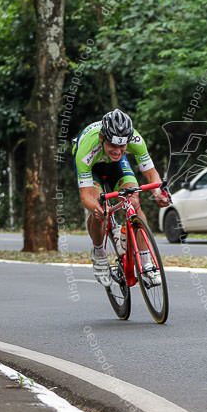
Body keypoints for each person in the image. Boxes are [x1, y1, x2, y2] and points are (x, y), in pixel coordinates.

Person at [73, 109, 170, 287]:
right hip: (92, 167)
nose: (117, 150)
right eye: (113, 145)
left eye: (122, 146)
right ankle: (99, 254)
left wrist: (158, 192)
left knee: (134, 200)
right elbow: (86, 195)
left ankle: (146, 262)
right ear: (102, 137)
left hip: (116, 167)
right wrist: (97, 207)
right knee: (99, 212)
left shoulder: (135, 140)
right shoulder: (86, 148)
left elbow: (151, 173)